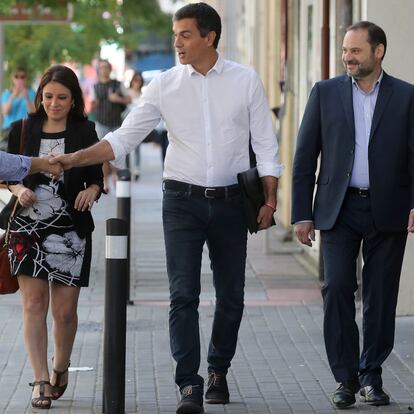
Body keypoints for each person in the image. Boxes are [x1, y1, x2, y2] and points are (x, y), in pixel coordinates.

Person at [50, 3, 283, 413]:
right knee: (183, 295)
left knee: (231, 296)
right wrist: (73, 159)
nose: (176, 42)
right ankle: (188, 383)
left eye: (185, 34)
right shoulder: (164, 85)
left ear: (210, 37)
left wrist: (270, 197)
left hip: (232, 202)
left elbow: (265, 144)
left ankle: (217, 370)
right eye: (175, 34)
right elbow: (123, 139)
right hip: (181, 202)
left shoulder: (246, 81)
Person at [291, 21, 414, 409]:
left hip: (388, 210)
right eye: (345, 50)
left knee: (380, 298)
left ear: (378, 51)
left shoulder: (407, 97)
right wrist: (301, 214)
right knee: (338, 288)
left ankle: (372, 376)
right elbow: (304, 157)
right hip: (338, 210)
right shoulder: (325, 93)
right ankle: (345, 379)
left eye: (355, 51)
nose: (347, 57)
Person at [1, 64, 103, 409]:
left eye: (61, 97)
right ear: (39, 96)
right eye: (48, 97)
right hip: (26, 227)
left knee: (64, 311)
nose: (54, 103)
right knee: (33, 305)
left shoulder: (85, 131)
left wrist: (93, 191)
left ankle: (60, 367)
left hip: (70, 229)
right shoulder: (21, 129)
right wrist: (17, 188)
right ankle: (40, 380)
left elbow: (95, 175)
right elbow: (3, 171)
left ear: (73, 99)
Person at [90, 59, 131, 191]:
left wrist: (117, 99)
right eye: (101, 67)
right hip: (101, 123)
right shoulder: (95, 87)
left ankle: (115, 176)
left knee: (117, 152)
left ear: (109, 69)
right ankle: (105, 181)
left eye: (106, 67)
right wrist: (93, 105)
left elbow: (129, 99)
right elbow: (92, 104)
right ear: (99, 70)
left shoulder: (118, 84)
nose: (104, 70)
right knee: (103, 154)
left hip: (116, 123)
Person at [1, 67, 35, 149]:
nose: (19, 79)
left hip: (26, 128)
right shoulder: (6, 94)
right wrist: (13, 96)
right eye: (16, 76)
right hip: (9, 129)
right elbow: (5, 112)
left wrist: (26, 97)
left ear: (26, 79)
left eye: (22, 77)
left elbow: (33, 113)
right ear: (12, 79)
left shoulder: (32, 93)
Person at [124, 71, 144, 180]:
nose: (137, 83)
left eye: (139, 81)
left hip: (138, 125)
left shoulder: (143, 94)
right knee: (126, 148)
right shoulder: (127, 93)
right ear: (132, 81)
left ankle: (136, 170)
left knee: (137, 148)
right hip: (127, 124)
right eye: (136, 80)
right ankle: (127, 169)